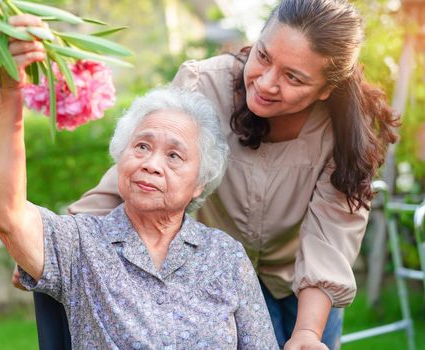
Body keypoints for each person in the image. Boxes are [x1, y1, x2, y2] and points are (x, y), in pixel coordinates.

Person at [60, 1, 400, 349]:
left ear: (326, 89)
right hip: (215, 281)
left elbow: (330, 237)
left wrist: (308, 333)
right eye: (264, 57)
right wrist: (60, 246)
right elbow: (143, 168)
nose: (266, 83)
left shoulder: (344, 132)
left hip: (306, 288)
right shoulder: (202, 85)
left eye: (293, 77)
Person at [0, 50, 279, 350]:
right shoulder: (80, 246)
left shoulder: (226, 257)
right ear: (121, 157)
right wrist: (11, 91)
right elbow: (6, 217)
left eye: (174, 155)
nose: (151, 164)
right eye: (141, 146)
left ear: (199, 184)